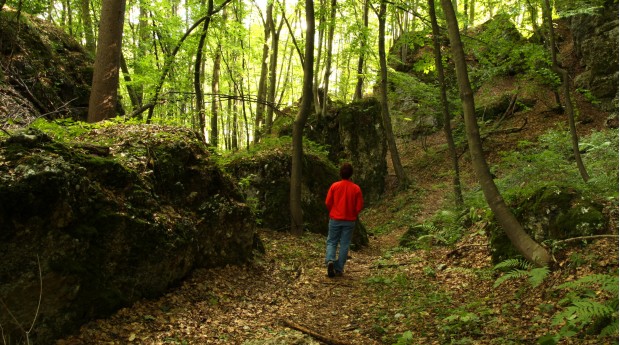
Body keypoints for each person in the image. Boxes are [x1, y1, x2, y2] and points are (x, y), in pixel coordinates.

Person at [324, 162, 364, 278]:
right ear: (351, 174)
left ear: (340, 173)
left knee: (332, 241)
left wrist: (333, 211)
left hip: (335, 218)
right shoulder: (356, 188)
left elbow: (328, 202)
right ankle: (339, 268)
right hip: (349, 220)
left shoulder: (334, 186)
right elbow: (359, 205)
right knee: (344, 244)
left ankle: (330, 260)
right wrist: (353, 213)